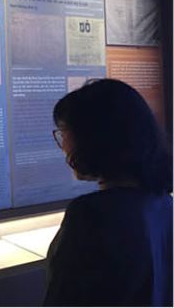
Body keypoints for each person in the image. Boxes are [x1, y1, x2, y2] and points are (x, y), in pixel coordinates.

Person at [44, 79, 172, 306]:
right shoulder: (163, 203)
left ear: (92, 138)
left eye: (64, 133)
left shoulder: (91, 216)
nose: (63, 146)